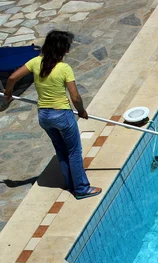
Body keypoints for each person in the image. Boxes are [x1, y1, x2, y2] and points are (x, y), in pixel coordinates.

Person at [3, 30, 102, 199]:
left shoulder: (35, 62)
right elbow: (75, 96)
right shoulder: (64, 68)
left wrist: (8, 93)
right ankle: (81, 189)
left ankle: (69, 183)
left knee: (61, 150)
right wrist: (81, 111)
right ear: (64, 49)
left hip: (44, 116)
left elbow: (12, 77)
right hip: (62, 115)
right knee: (74, 152)